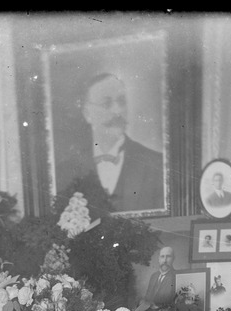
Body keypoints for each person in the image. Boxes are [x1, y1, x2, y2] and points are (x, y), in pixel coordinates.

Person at [55, 73, 165, 213]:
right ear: (87, 114)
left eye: (121, 101)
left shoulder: (156, 165)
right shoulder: (66, 171)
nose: (117, 111)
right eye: (106, 103)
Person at [134, 246, 177, 311]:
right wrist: (143, 302)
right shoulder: (154, 276)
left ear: (173, 259)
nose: (165, 260)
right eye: (162, 256)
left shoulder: (176, 277)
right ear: (159, 259)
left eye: (168, 256)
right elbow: (148, 297)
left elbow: (172, 302)